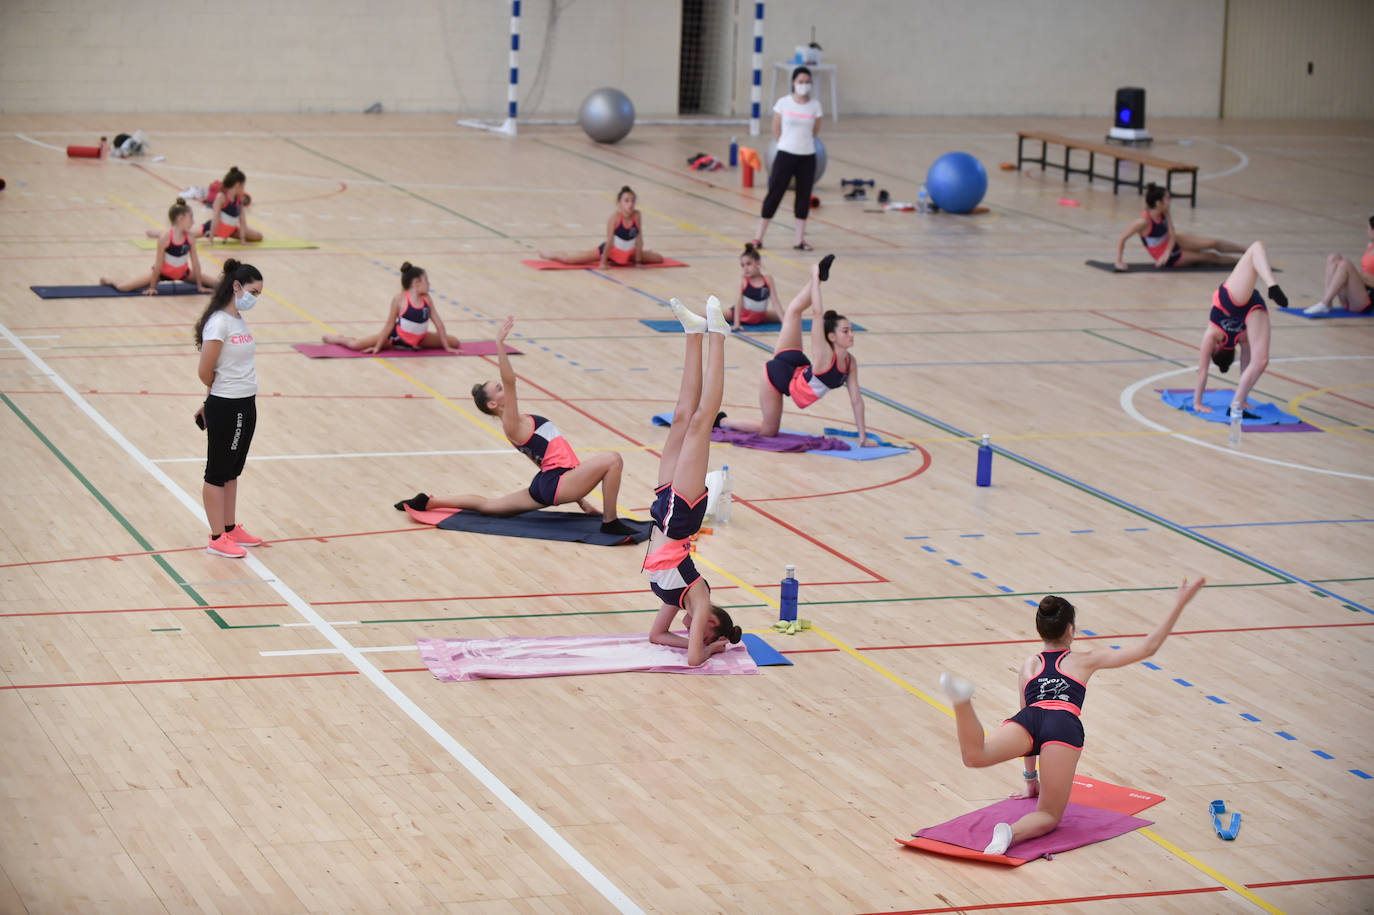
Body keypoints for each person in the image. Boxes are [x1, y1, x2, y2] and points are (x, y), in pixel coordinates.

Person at [937, 576, 1207, 855]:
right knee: (1049, 816)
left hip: (1030, 718)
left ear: (1040, 630)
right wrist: (1179, 604)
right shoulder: (1085, 659)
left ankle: (962, 703)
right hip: (1062, 724)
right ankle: (1010, 832)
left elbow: (1025, 720)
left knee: (975, 756)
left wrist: (1031, 779)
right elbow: (1147, 648)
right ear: (1070, 630)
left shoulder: (1030, 665)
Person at [394, 317, 637, 536]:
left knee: (489, 506)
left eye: (500, 386)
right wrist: (499, 344)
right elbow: (511, 381)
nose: (503, 387)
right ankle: (610, 521)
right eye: (497, 389)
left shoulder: (518, 423)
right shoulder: (511, 424)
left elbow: (545, 460)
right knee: (613, 459)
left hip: (549, 482)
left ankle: (427, 502)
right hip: (556, 482)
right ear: (492, 404)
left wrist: (583, 504)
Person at [645, 294, 743, 666]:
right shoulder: (699, 597)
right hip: (682, 517)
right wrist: (713, 648)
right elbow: (693, 659)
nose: (690, 633)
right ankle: (718, 335)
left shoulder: (675, 600)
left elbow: (656, 635)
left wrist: (702, 646)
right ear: (712, 623)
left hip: (661, 513)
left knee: (683, 416)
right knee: (703, 421)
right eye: (700, 634)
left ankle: (693, 333)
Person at [719, 255, 876, 445]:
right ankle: (721, 421)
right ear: (832, 337)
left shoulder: (851, 362)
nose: (852, 334)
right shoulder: (824, 354)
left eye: (851, 330)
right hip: (777, 375)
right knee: (769, 431)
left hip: (796, 366)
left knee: (793, 311)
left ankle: (817, 276)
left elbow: (856, 400)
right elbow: (817, 313)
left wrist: (863, 437)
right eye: (846, 331)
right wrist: (815, 280)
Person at [193, 260, 265, 558]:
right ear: (236, 286)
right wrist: (213, 400)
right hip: (228, 404)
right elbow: (206, 370)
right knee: (217, 472)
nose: (256, 298)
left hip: (246, 402)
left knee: (233, 469)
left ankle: (230, 527)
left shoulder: (237, 320)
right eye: (253, 291)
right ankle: (216, 536)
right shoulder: (219, 322)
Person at [1191, 241, 1288, 420]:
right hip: (1237, 301)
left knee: (1261, 361)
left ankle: (1238, 403)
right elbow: (1245, 363)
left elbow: (1203, 371)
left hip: (1243, 303)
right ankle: (1271, 283)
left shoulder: (1222, 337)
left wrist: (1198, 402)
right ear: (1217, 350)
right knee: (1257, 247)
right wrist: (1197, 402)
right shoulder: (1218, 336)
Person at [751, 66, 822, 252]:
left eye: (807, 82)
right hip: (785, 154)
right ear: (793, 82)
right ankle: (758, 238)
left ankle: (799, 240)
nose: (804, 85)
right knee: (775, 193)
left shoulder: (815, 105)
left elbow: (815, 131)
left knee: (803, 196)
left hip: (807, 156)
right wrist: (786, 143)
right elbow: (776, 129)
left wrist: (803, 144)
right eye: (800, 82)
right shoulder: (783, 103)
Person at [321, 261, 458, 353]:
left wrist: (447, 347)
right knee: (356, 345)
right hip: (396, 338)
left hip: (421, 339)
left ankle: (417, 343)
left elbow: (438, 323)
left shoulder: (427, 299)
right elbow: (389, 325)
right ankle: (338, 338)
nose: (429, 284)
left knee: (455, 342)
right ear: (416, 282)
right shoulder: (399, 299)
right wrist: (377, 347)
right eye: (426, 280)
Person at [1113, 184, 1245, 271]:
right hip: (1169, 256)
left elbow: (1172, 233)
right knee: (1210, 256)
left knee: (1213, 242)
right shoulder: (1142, 222)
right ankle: (1244, 263)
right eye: (1167, 198)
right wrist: (1119, 261)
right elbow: (1122, 239)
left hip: (1172, 243)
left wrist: (1168, 249)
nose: (1170, 201)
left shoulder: (1164, 212)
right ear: (1158, 203)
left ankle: (1246, 250)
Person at [103, 197, 212, 294]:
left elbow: (195, 263)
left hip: (183, 273)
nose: (193, 222)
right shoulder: (165, 237)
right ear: (181, 219)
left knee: (217, 284)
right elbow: (158, 264)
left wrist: (200, 286)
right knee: (123, 287)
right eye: (191, 218)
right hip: (161, 273)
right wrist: (152, 287)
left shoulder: (190, 237)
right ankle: (109, 279)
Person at [537, 186, 664, 267]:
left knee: (659, 259)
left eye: (632, 201)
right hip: (610, 252)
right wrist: (603, 262)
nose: (630, 204)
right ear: (618, 203)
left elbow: (639, 238)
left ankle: (646, 253)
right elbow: (609, 241)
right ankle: (551, 254)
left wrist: (638, 261)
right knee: (572, 260)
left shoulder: (637, 215)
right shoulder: (614, 218)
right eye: (626, 201)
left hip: (629, 253)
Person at [1305, 216, 1374, 315]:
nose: (1367, 231)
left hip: (1367, 301)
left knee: (1345, 264)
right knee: (1333, 257)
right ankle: (1327, 303)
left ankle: (1324, 303)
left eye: (1368, 228)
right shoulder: (1370, 245)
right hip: (1355, 295)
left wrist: (1363, 278)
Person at [724, 243, 782, 330]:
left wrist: (785, 322)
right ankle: (696, 318)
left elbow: (775, 302)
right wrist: (736, 323)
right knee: (711, 317)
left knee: (789, 315)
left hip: (760, 316)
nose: (745, 268)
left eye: (749, 264)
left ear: (758, 263)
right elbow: (738, 302)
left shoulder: (768, 279)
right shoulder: (743, 280)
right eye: (743, 265)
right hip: (741, 315)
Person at [203, 166, 262, 243]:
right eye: (243, 185)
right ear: (238, 185)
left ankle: (227, 234)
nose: (244, 189)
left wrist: (243, 239)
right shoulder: (221, 196)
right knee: (189, 235)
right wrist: (211, 240)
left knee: (259, 236)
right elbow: (215, 218)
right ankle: (212, 234)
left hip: (231, 230)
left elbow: (242, 220)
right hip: (215, 228)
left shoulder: (239, 199)